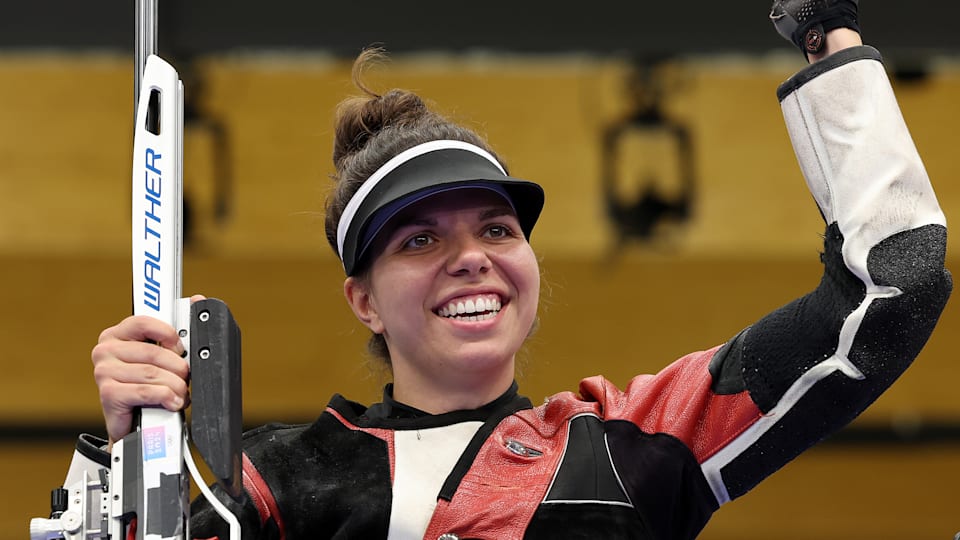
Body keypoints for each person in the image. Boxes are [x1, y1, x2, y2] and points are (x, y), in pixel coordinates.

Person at [67, 1, 951, 538]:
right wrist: (120, 456)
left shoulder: (637, 447)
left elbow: (893, 287)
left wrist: (832, 45)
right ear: (362, 301)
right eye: (418, 241)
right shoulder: (269, 485)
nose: (471, 259)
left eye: (496, 228)